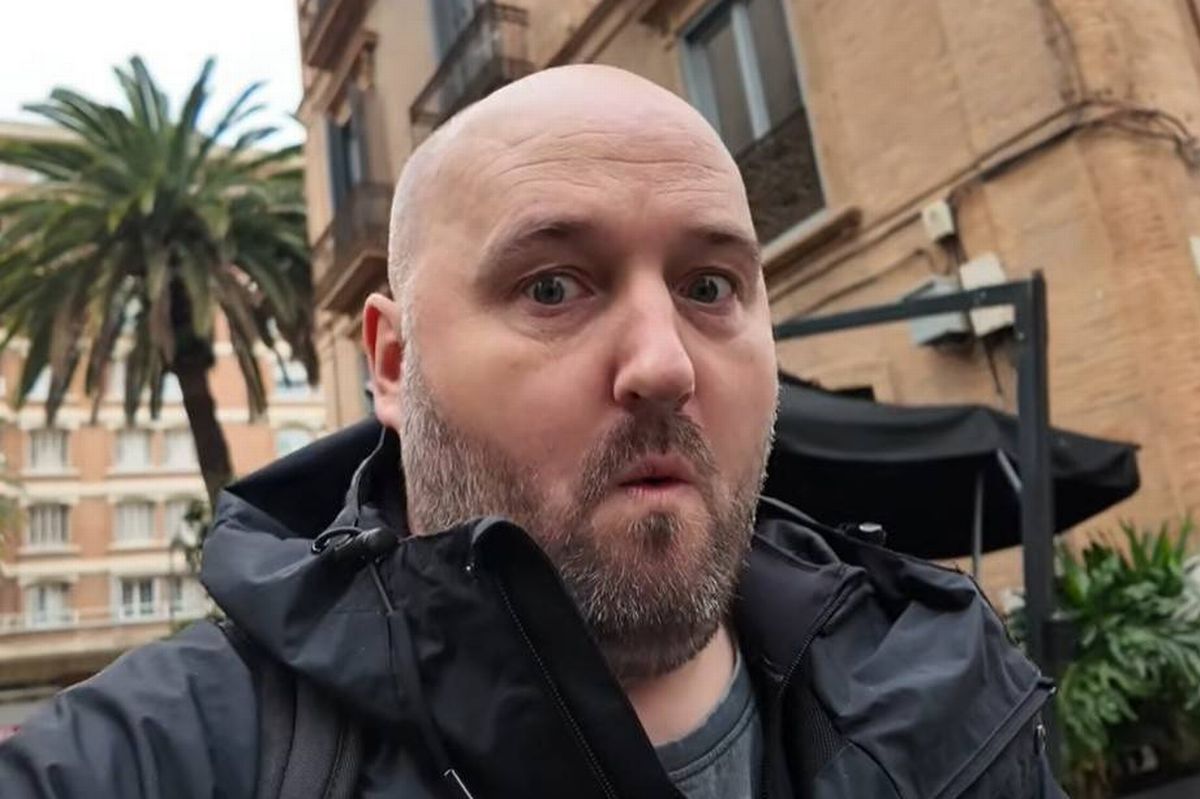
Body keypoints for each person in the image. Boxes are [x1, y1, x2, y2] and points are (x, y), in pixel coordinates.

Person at [0, 65, 1062, 798]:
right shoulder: (173, 752)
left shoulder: (950, 677)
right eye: (553, 285)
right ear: (393, 360)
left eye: (709, 284)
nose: (663, 363)